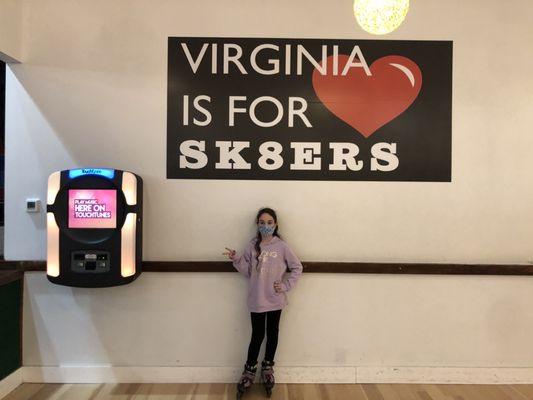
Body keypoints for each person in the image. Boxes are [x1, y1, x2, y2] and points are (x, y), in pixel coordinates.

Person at [223, 207, 303, 397]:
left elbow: (297, 267)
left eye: (269, 222)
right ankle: (249, 369)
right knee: (257, 335)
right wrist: (236, 258)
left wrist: (284, 286)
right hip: (257, 299)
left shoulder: (282, 246)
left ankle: (268, 366)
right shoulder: (252, 245)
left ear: (275, 224)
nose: (266, 226)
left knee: (272, 333)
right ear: (257, 225)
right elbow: (247, 272)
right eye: (262, 222)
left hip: (275, 299)